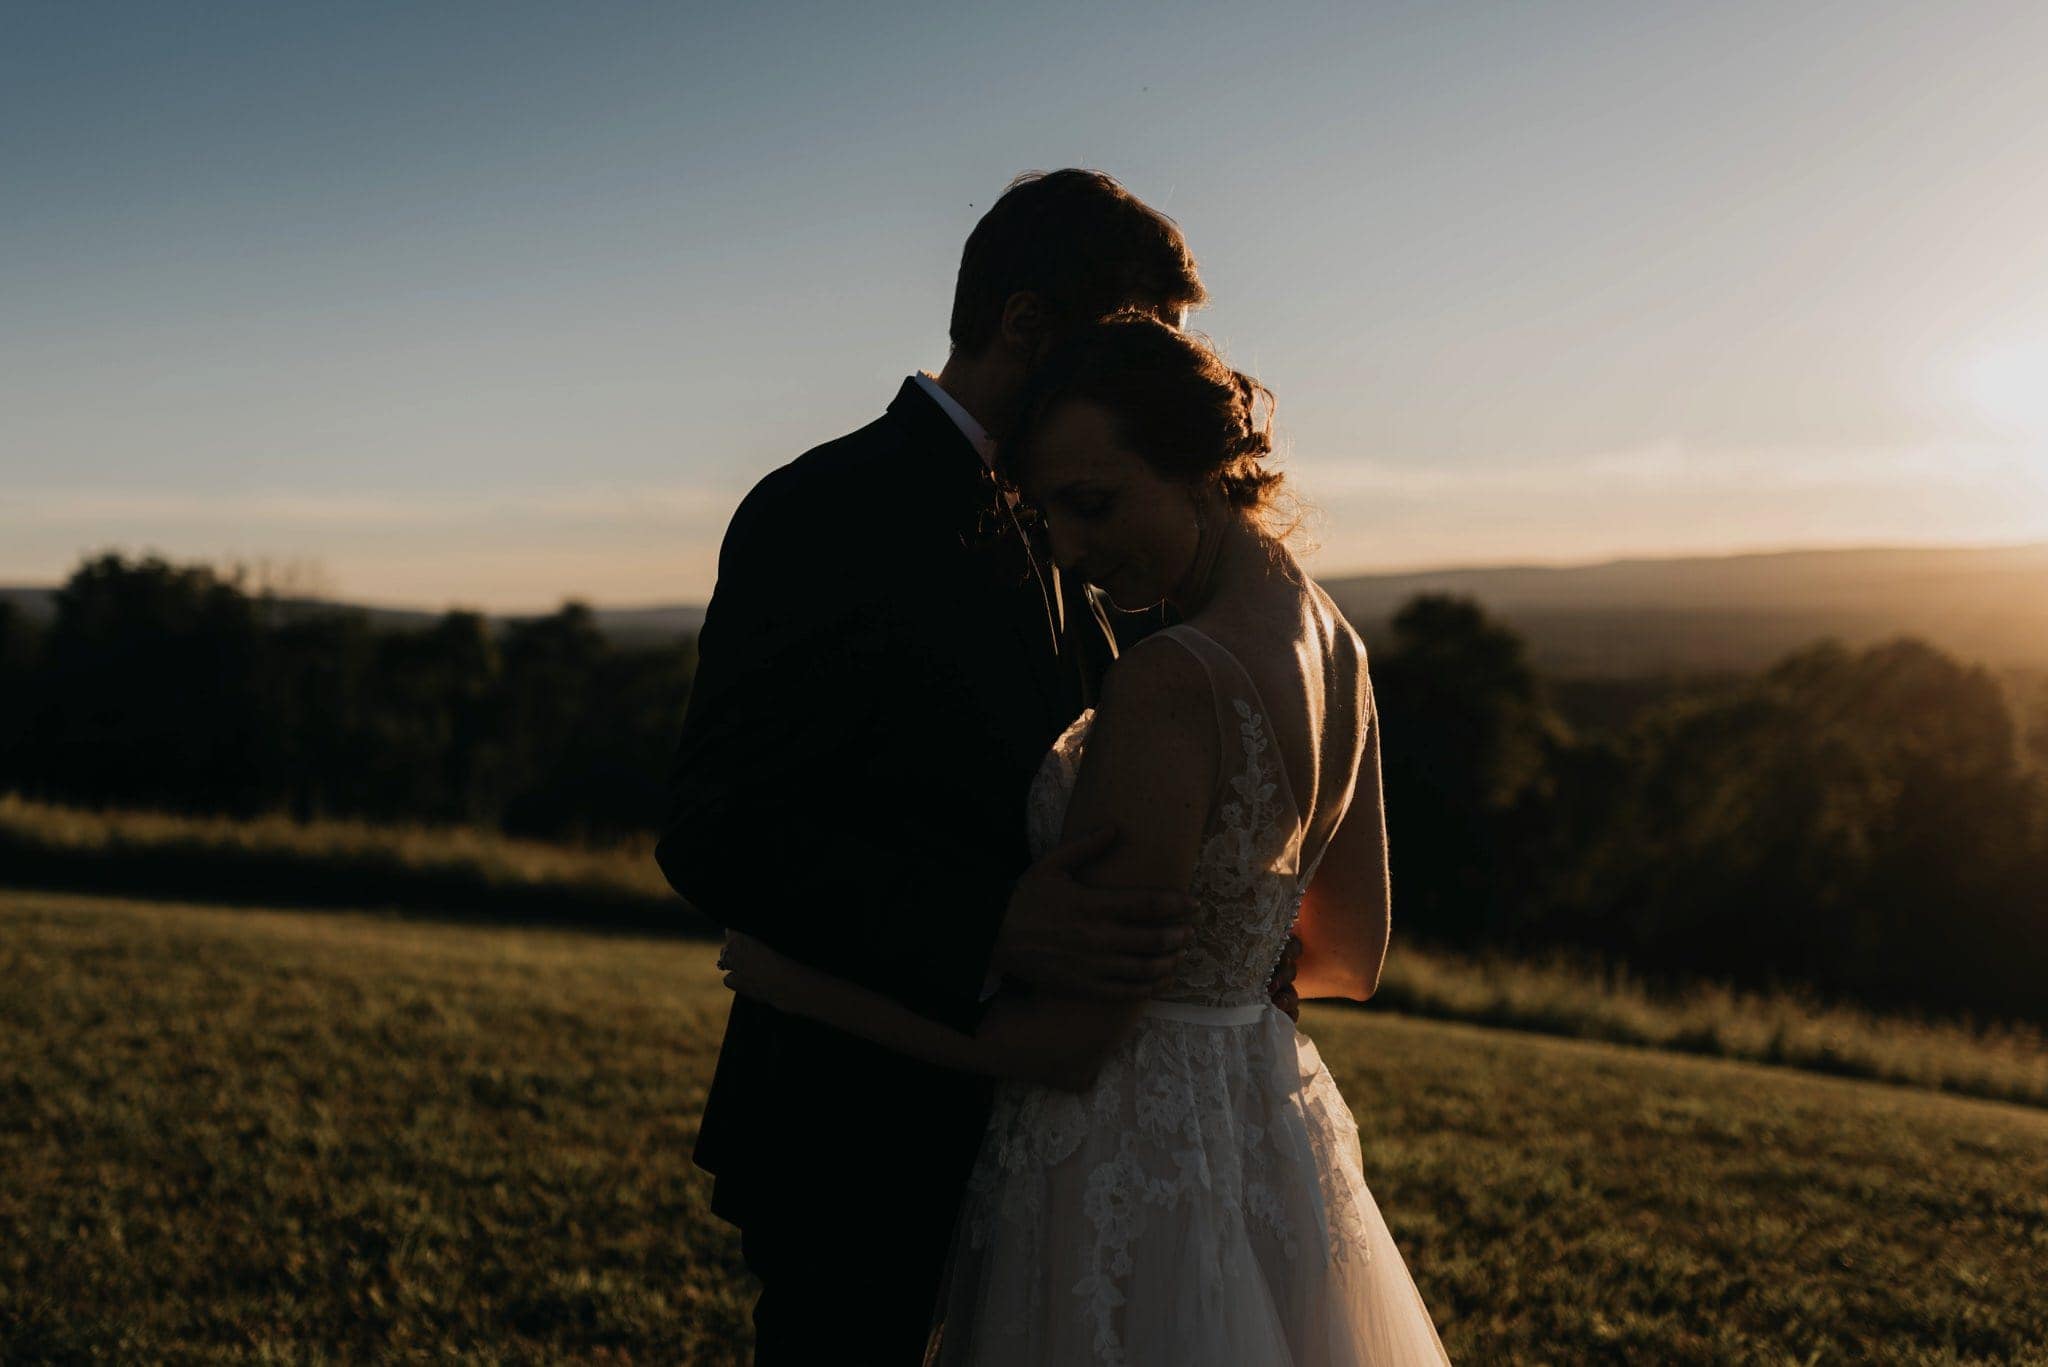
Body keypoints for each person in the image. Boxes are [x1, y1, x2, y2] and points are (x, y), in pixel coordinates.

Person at [658, 170, 1304, 1364]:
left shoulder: (1076, 517)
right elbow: (713, 825)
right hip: (853, 1125)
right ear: (1023, 324)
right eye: (1132, 342)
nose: (1155, 380)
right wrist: (988, 925)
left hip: (1049, 1135)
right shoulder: (826, 506)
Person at [720, 317, 1451, 1364]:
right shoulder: (1334, 640)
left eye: (1092, 503)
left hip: (1124, 1166)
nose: (1065, 546)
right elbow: (1349, 955)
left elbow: (1061, 1045)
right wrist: (1218, 974)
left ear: (1202, 468)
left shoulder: (1170, 679)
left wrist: (799, 978)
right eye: (1046, 512)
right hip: (1256, 1136)